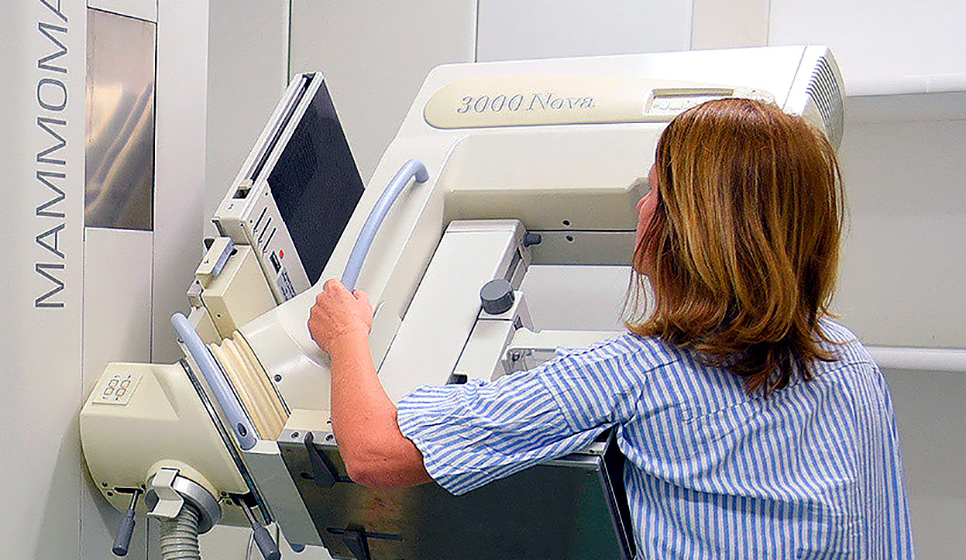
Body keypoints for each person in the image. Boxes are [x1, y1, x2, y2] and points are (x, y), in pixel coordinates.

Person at [307, 98, 914, 558]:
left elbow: (372, 453)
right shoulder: (850, 361)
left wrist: (346, 335)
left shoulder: (637, 371)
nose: (640, 207)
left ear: (690, 227)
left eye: (654, 192)